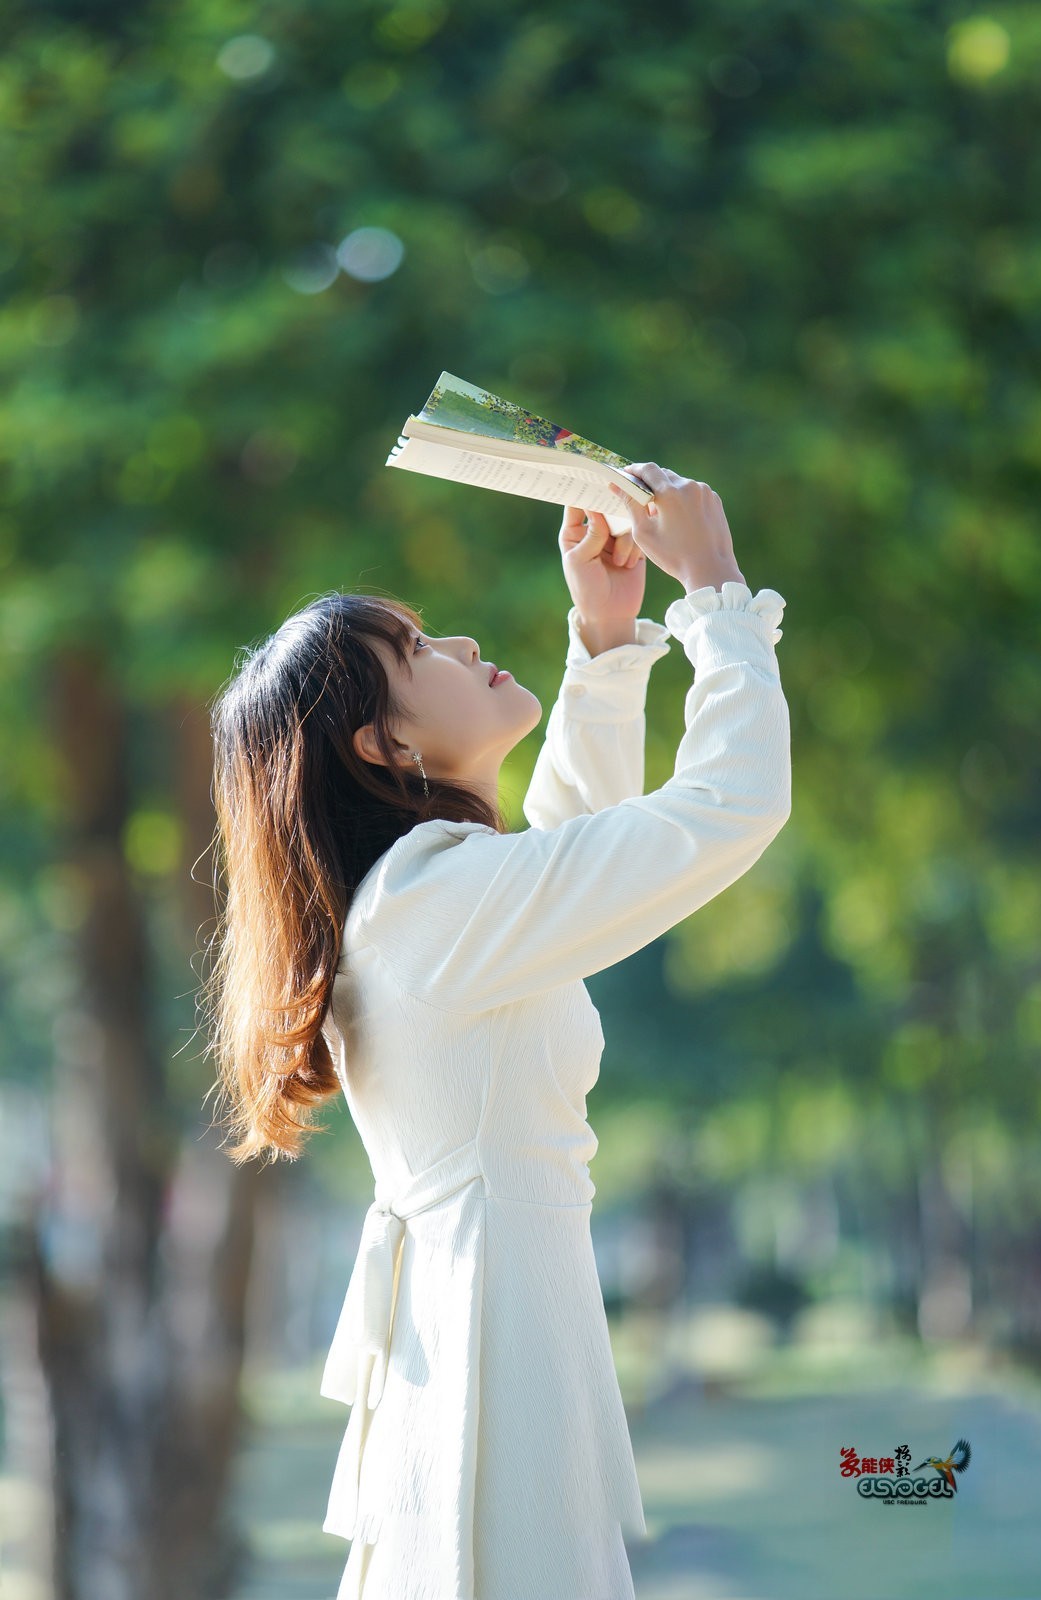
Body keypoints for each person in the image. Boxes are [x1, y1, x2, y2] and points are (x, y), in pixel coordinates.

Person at [202, 461, 791, 1600]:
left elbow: (569, 858)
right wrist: (712, 589)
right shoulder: (427, 905)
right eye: (419, 651)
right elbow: (725, 806)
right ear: (380, 744)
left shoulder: (424, 901)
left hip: (489, 1325)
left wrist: (605, 642)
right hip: (496, 1345)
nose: (463, 644)